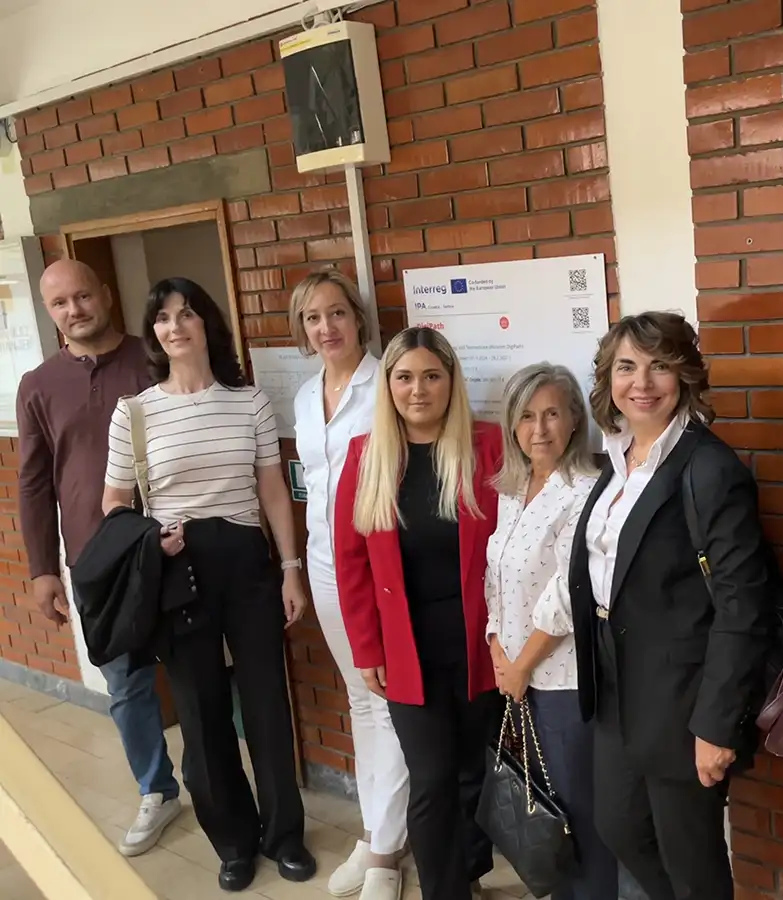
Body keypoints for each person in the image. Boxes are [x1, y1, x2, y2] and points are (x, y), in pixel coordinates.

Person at [100, 277, 315, 893]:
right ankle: (234, 842)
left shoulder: (249, 402)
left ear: (207, 324)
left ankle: (285, 836)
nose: (175, 326)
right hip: (178, 568)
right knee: (200, 712)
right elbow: (114, 502)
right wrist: (150, 541)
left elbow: (272, 488)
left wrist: (291, 567)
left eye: (187, 314)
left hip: (247, 561)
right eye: (163, 317)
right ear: (154, 332)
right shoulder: (134, 413)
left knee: (267, 703)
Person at [567, 312, 775, 900]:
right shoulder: (615, 458)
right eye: (626, 367)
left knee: (691, 860)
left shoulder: (709, 469)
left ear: (683, 375)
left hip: (683, 696)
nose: (642, 382)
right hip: (617, 684)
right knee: (619, 826)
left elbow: (742, 608)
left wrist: (716, 723)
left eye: (659, 365)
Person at [16, 259, 183, 857]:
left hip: (174, 546)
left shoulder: (156, 357)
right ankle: (156, 791)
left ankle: (220, 790)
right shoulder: (38, 384)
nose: (74, 310)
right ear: (49, 311)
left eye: (82, 296)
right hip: (98, 562)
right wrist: (42, 568)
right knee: (126, 683)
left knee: (195, 673)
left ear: (106, 295)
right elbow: (34, 482)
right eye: (60, 303)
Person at [334, 327, 503, 900]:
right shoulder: (367, 456)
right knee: (431, 781)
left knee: (476, 771)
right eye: (404, 377)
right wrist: (367, 650)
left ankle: (470, 875)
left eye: (432, 375)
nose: (418, 389)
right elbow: (351, 563)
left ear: (451, 381)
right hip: (409, 650)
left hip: (481, 644)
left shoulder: (488, 445)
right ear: (388, 386)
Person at [290, 269, 410, 900]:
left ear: (358, 318)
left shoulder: (386, 383)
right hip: (323, 562)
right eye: (313, 318)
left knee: (387, 699)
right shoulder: (304, 396)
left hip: (378, 568)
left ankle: (387, 851)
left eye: (336, 313)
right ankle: (374, 831)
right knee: (361, 699)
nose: (326, 327)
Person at [485, 363, 616, 900]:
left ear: (575, 419)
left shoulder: (586, 491)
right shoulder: (512, 488)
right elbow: (495, 576)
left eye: (552, 414)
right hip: (517, 678)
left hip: (560, 681)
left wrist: (520, 665)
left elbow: (567, 596)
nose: (539, 429)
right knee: (543, 812)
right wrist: (497, 646)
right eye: (526, 416)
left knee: (578, 818)